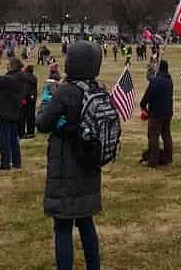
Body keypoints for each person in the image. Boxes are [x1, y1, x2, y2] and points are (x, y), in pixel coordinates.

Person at [36, 41, 104, 270]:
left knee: (63, 226)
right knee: (86, 222)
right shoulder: (97, 88)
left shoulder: (66, 92)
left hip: (65, 165)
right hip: (89, 163)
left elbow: (43, 124)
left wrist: (46, 97)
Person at [0, 57, 26, 170]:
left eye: (8, 64)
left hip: (5, 112)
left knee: (4, 138)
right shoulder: (20, 77)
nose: (6, 66)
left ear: (13, 66)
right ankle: (16, 162)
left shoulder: (11, 79)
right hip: (14, 111)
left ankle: (5, 163)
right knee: (13, 138)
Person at [140, 59, 174, 167]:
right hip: (168, 112)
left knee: (153, 136)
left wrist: (143, 105)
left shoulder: (155, 81)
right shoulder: (169, 80)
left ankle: (153, 160)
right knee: (166, 135)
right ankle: (168, 157)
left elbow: (148, 95)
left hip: (156, 113)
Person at [20, 65, 38, 140]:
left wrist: (22, 98)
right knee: (31, 116)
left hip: (25, 99)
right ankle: (31, 132)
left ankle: (22, 133)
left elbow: (25, 89)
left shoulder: (24, 78)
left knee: (22, 117)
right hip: (32, 98)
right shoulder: (34, 78)